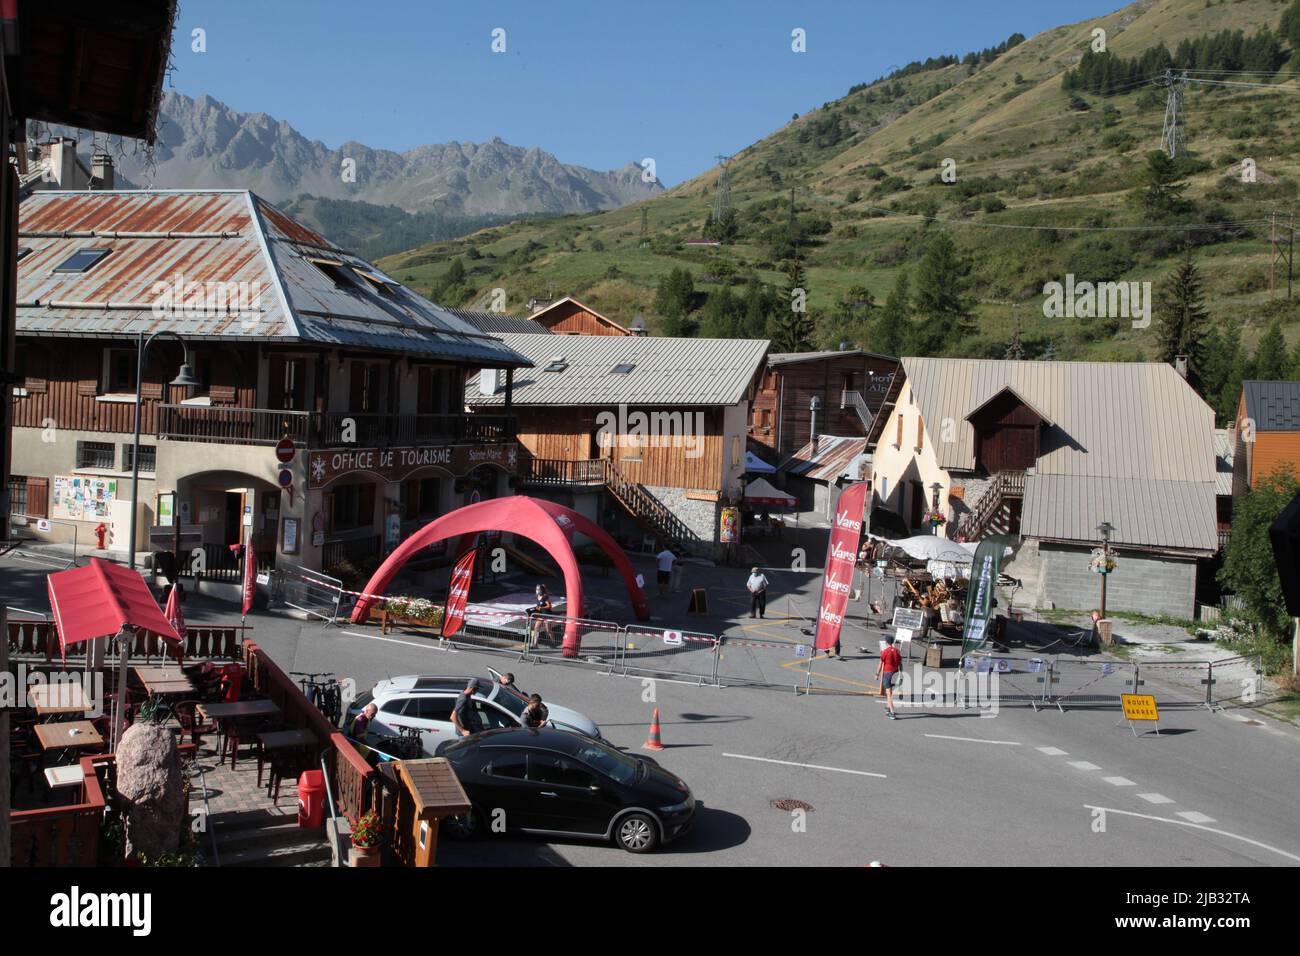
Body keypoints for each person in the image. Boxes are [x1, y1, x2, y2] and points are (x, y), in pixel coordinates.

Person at [876, 634, 903, 719]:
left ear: (886, 642)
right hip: (895, 673)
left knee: (889, 694)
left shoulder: (885, 651)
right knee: (891, 692)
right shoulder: (897, 651)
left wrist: (877, 674)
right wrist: (901, 673)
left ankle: (892, 712)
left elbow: (880, 663)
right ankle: (888, 707)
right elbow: (900, 664)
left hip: (888, 673)